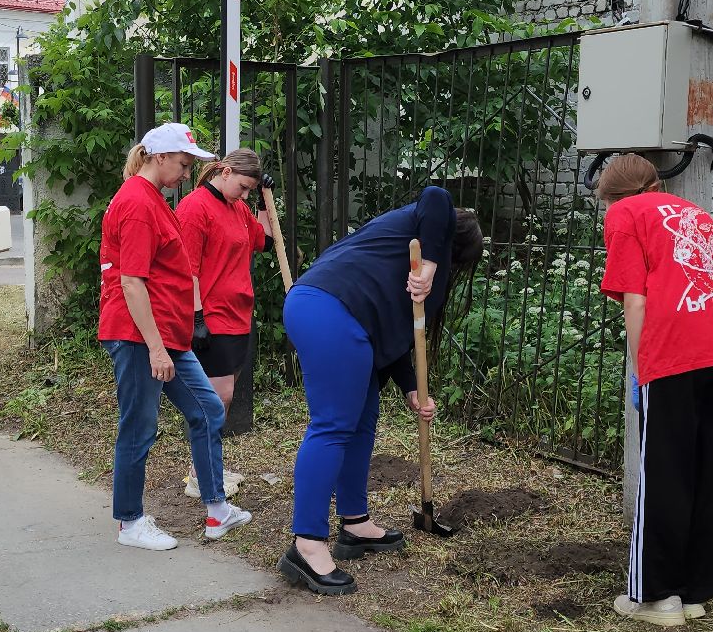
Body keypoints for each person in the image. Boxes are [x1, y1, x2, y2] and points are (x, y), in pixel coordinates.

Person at [278, 185, 484, 594]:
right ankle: (306, 544)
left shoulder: (395, 256)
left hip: (340, 315)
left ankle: (355, 523)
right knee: (333, 426)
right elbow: (436, 196)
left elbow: (394, 331)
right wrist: (430, 264)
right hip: (331, 310)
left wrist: (411, 388)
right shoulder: (426, 231)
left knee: (361, 422)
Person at [595, 153, 713, 628]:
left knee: (664, 470)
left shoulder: (625, 215)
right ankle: (694, 589)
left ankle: (656, 598)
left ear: (614, 196)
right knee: (705, 468)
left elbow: (636, 301)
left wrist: (642, 369)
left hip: (676, 351)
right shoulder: (695, 213)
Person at [99, 123, 251, 550]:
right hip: (141, 336)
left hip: (168, 335)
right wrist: (154, 347)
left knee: (207, 409)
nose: (187, 173)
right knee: (139, 427)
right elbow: (132, 282)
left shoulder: (153, 199)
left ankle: (217, 510)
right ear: (159, 157)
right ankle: (130, 522)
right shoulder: (137, 203)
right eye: (184, 164)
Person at [174, 147, 272, 500]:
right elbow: (188, 270)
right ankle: (200, 475)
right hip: (212, 317)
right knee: (218, 399)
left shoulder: (239, 208)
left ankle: (208, 464)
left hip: (238, 315)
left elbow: (265, 241)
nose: (244, 194)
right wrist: (197, 317)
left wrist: (262, 201)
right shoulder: (195, 208)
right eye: (244, 186)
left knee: (223, 401)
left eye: (250, 189)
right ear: (225, 171)